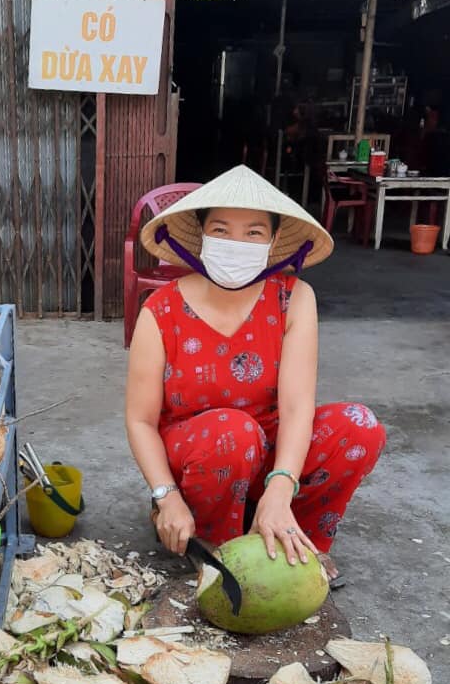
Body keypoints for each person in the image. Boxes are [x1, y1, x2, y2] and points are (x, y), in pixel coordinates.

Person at [125, 166, 386, 587]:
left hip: (269, 445)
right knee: (233, 430)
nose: (236, 243)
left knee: (359, 428)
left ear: (271, 242)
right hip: (200, 450)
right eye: (222, 229)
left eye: (254, 233)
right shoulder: (161, 309)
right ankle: (216, 541)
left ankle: (294, 533)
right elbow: (140, 420)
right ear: (202, 235)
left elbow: (298, 406)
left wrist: (282, 485)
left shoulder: (294, 298)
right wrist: (165, 495)